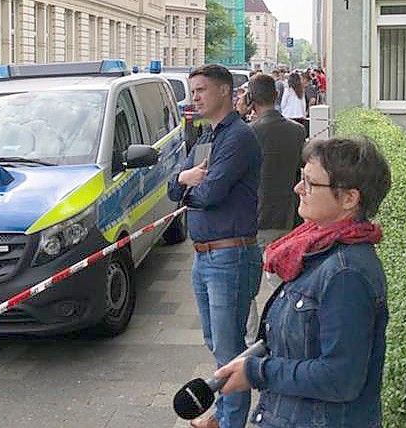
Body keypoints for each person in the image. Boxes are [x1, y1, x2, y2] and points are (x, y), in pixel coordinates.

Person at [212, 137, 392, 428]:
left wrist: (258, 372)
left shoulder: (346, 273)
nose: (298, 188)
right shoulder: (316, 250)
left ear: (349, 198)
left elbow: (340, 379)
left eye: (309, 183)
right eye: (300, 178)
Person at [168, 64, 262, 428]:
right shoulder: (208, 136)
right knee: (214, 340)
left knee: (228, 348)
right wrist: (183, 178)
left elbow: (210, 193)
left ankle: (229, 422)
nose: (195, 98)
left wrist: (188, 186)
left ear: (225, 90)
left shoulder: (238, 137)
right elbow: (174, 189)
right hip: (204, 255)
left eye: (201, 90)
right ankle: (224, 415)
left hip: (230, 253)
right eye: (193, 92)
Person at [242, 74, 305, 346]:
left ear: (251, 101)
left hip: (253, 219)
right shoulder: (296, 131)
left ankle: (251, 340)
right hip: (288, 217)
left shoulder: (247, 133)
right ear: (276, 96)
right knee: (281, 283)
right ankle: (283, 334)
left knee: (246, 288)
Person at [280, 72, 308, 136]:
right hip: (299, 115)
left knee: (288, 135)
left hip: (288, 115)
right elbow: (303, 104)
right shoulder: (301, 90)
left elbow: (283, 103)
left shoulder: (288, 90)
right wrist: (304, 113)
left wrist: (283, 111)